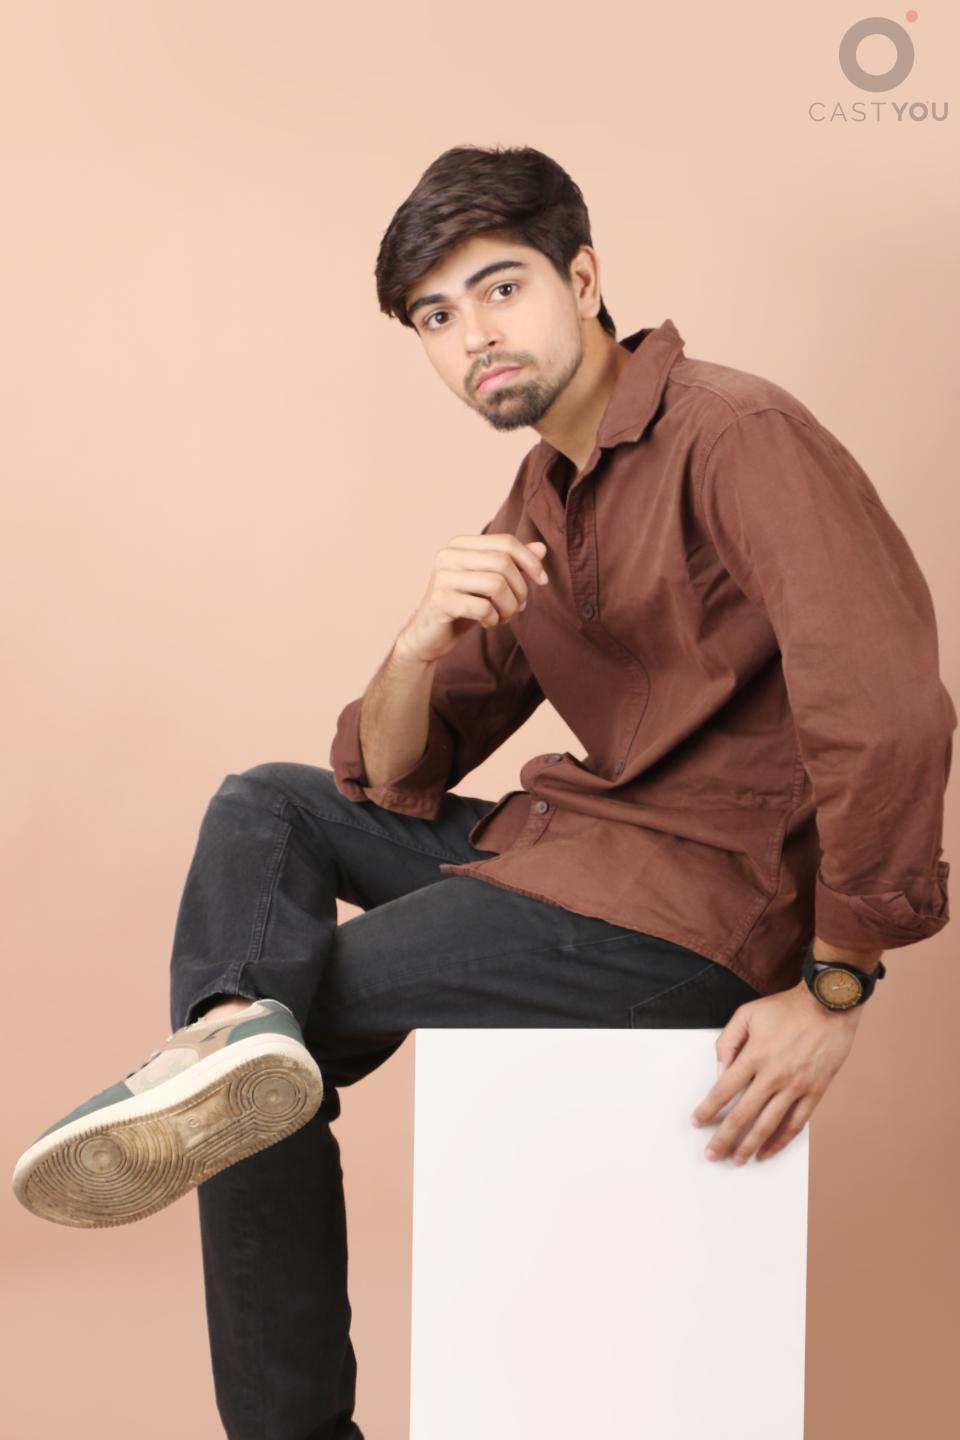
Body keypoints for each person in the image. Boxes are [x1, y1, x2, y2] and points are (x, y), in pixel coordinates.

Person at [11, 144, 954, 1440]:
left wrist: (837, 987)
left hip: (694, 907)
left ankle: (233, 1096)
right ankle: (227, 1036)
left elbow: (888, 708)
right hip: (572, 858)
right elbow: (403, 765)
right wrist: (414, 644)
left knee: (269, 1037)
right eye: (437, 318)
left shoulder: (739, 436)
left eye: (501, 290)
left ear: (585, 278)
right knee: (265, 808)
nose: (474, 339)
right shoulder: (542, 496)